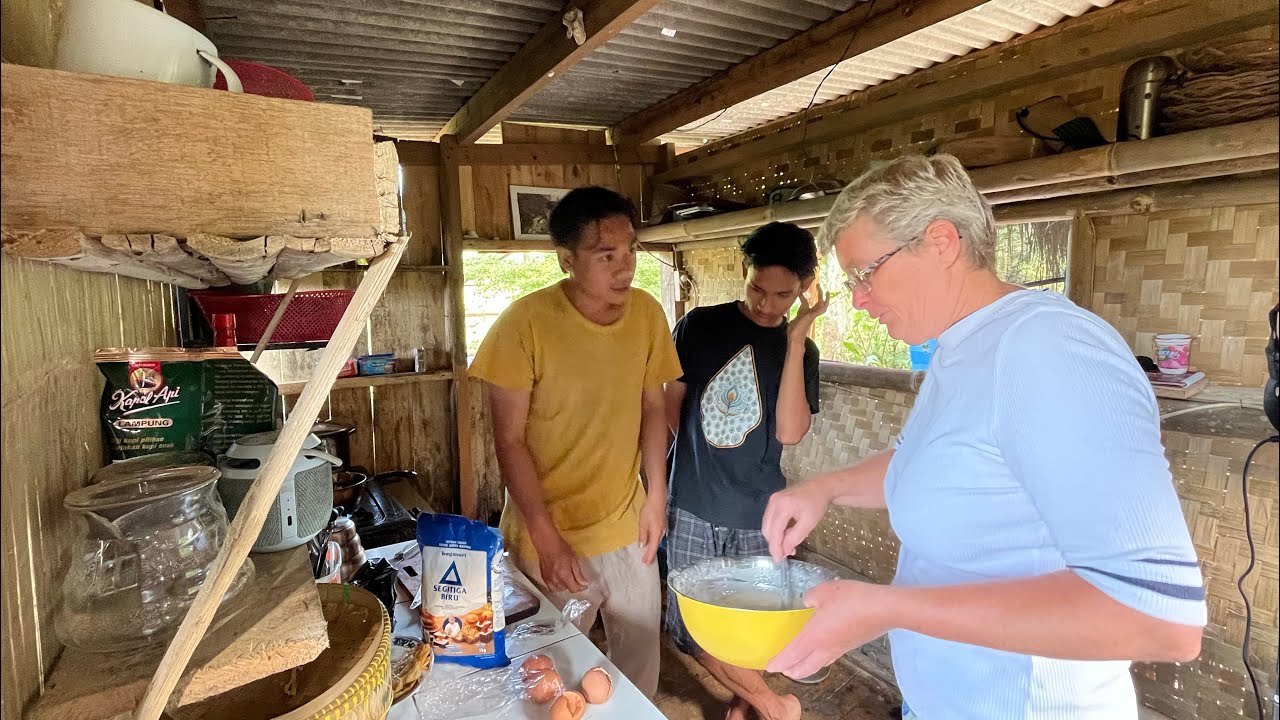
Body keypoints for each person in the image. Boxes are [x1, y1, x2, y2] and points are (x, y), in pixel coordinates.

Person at [760, 154, 1207, 719]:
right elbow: (936, 463)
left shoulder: (1048, 350)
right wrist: (825, 488)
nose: (858, 298)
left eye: (865, 274)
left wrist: (890, 608)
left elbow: (1159, 618)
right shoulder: (964, 346)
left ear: (941, 242)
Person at [468, 186, 681, 698]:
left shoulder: (648, 315)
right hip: (550, 532)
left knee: (638, 657)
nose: (624, 267)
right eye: (606, 255)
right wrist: (544, 537)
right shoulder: (523, 325)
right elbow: (509, 440)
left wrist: (656, 496)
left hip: (625, 523)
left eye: (629, 251)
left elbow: (654, 408)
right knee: (551, 674)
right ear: (566, 260)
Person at [663, 222, 826, 720]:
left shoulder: (802, 351)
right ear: (743, 270)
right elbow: (672, 408)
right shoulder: (699, 326)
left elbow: (791, 432)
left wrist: (796, 341)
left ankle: (741, 704)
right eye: (757, 287)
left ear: (803, 288)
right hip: (692, 500)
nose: (767, 304)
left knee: (747, 624)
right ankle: (775, 705)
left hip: (758, 508)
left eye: (783, 294)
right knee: (687, 629)